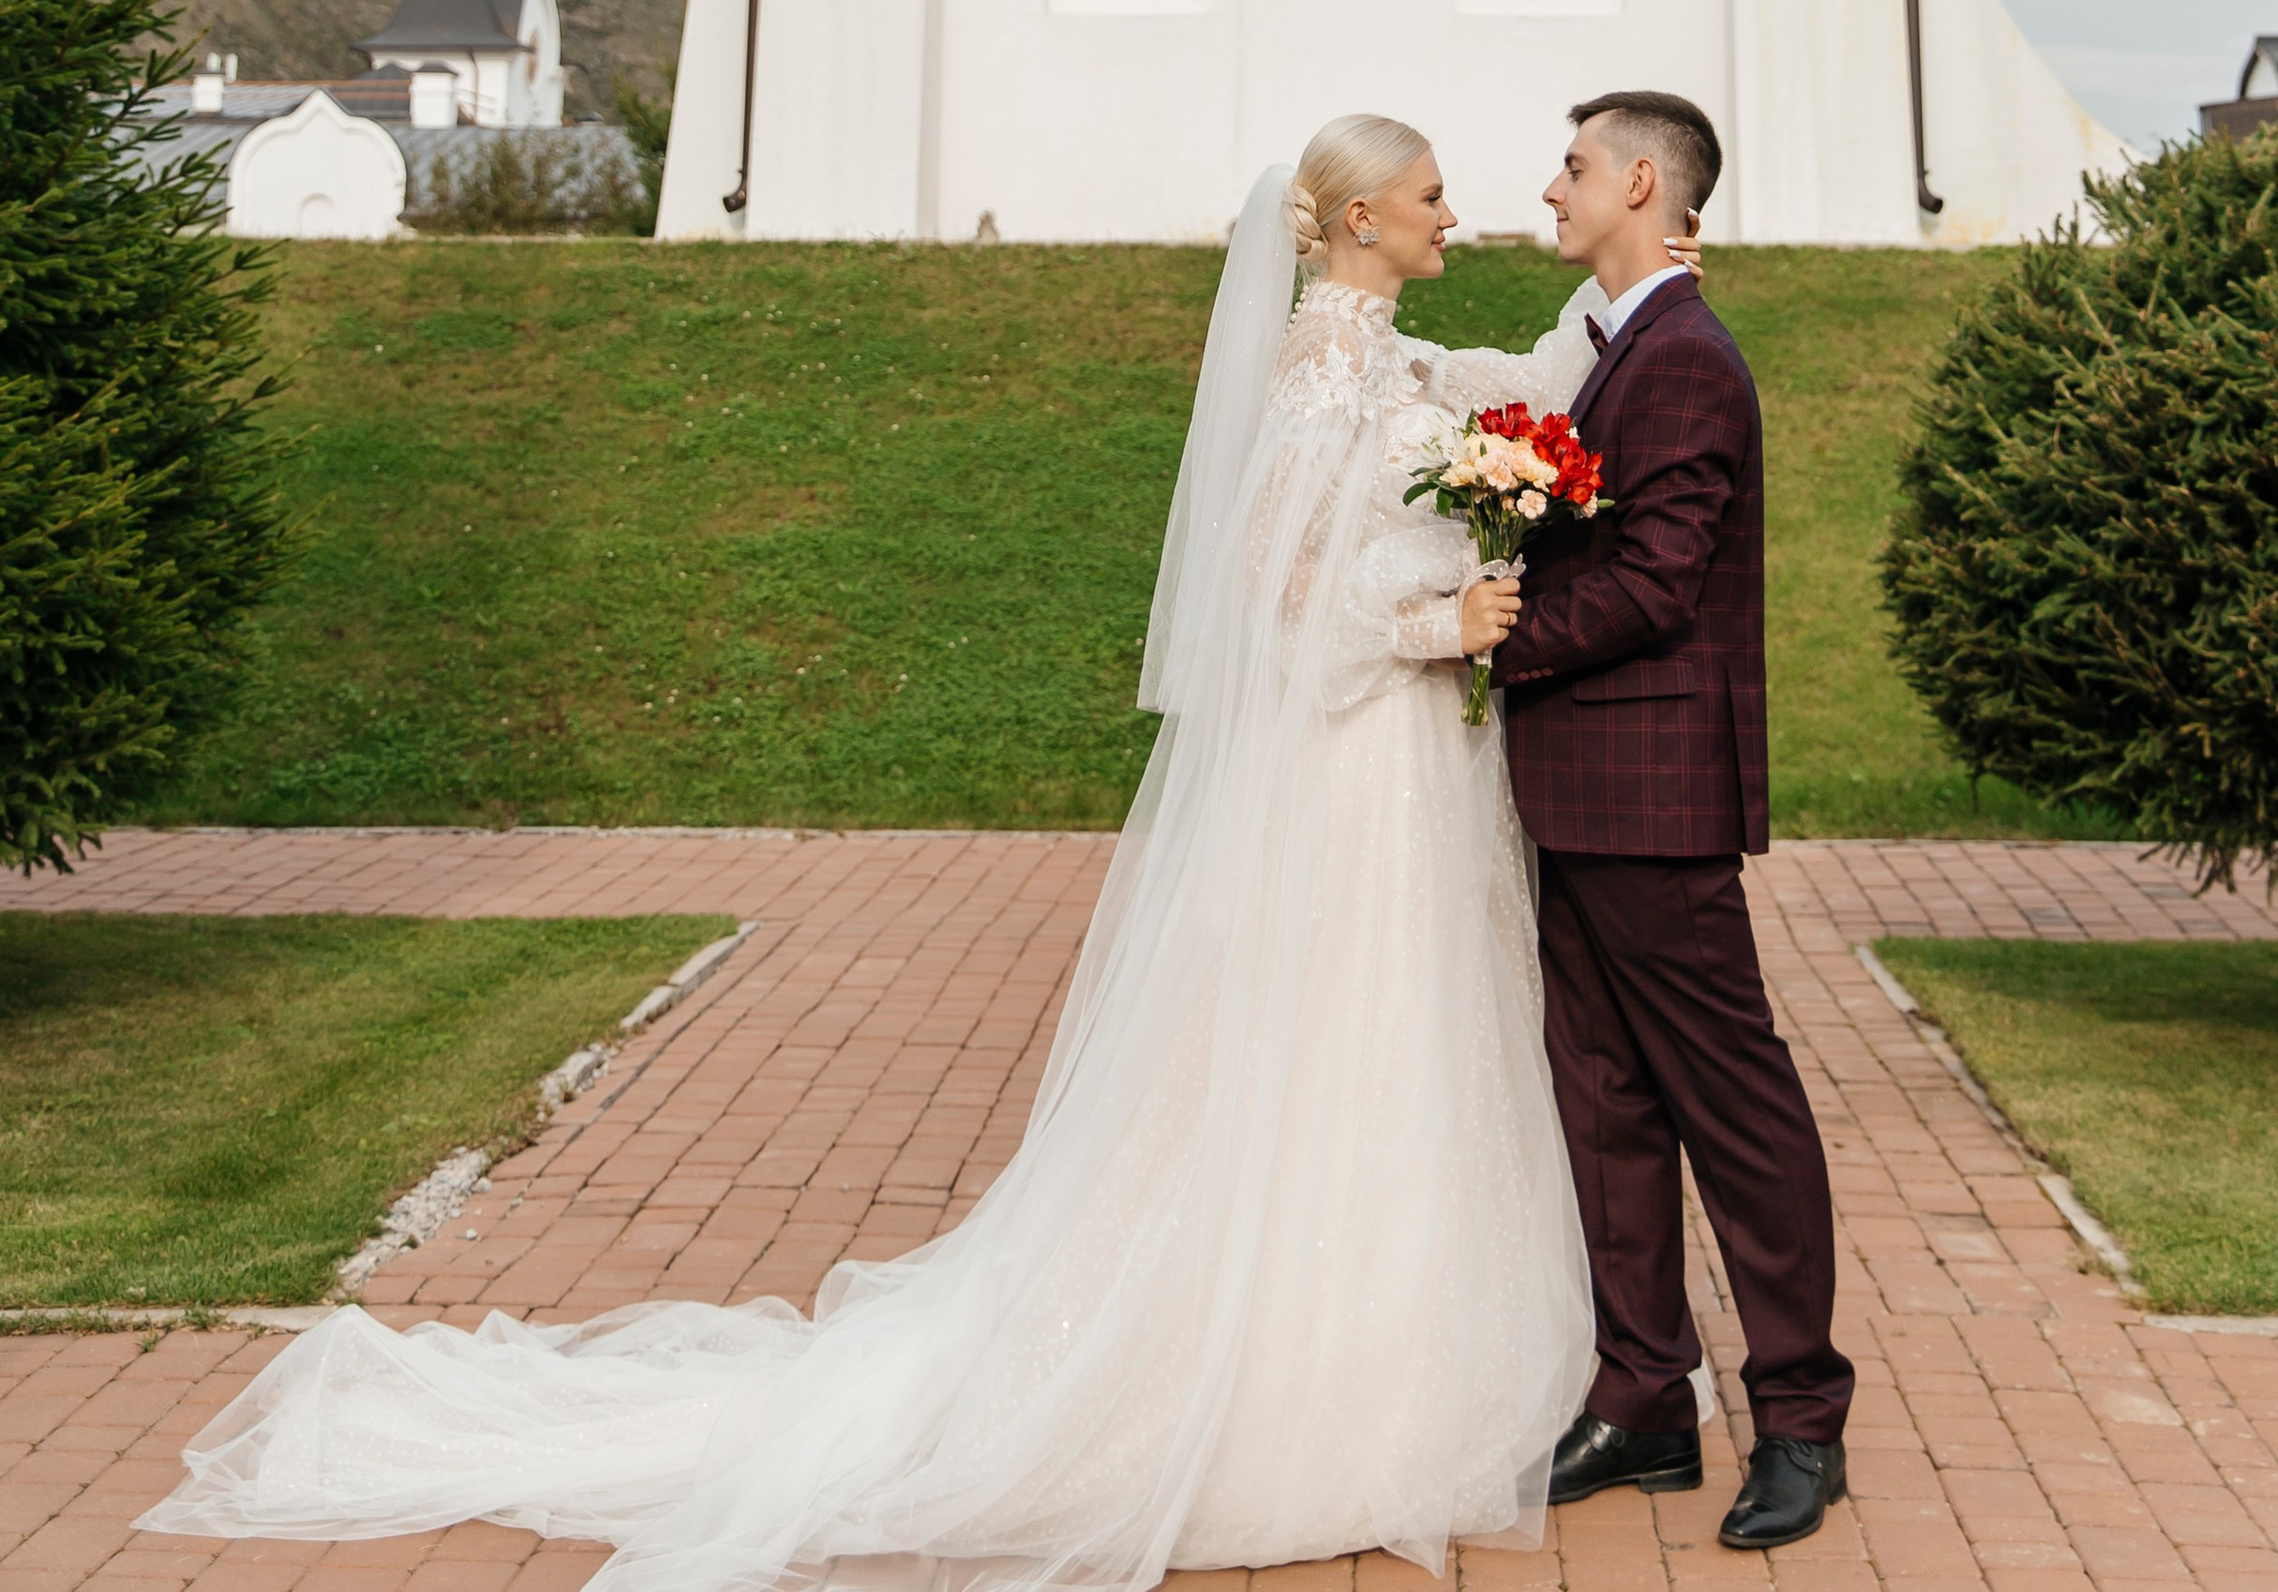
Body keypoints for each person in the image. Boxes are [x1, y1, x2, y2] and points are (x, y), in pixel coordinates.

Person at [141, 116, 1595, 1592]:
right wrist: (1432, 626)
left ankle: (1388, 1362)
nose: (1449, 213)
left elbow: (1513, 394)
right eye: (1425, 197)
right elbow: (1269, 589)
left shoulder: (1399, 361)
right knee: (1332, 1041)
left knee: (1396, 1041)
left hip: (1404, 758)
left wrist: (1622, 298)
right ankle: (1283, 1394)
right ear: (1355, 221)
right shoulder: (1321, 365)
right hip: (1351, 751)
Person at [1490, 89, 1854, 1555]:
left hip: (1651, 797)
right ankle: (1643, 1396)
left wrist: (1489, 637)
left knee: (1734, 1108)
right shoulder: (1614, 350)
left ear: (1643, 182)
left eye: (1574, 165)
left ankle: (1803, 1420)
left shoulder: (1685, 359)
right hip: (1578, 790)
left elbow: (1655, 583)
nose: (1552, 186)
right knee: (1606, 1103)